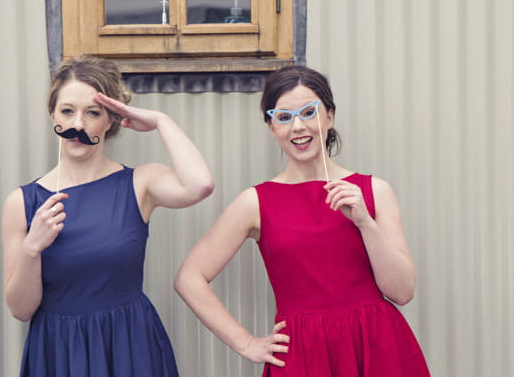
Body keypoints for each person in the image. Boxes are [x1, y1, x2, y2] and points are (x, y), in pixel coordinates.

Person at [174, 65, 430, 376]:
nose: (298, 127)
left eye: (309, 112)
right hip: (304, 356)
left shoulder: (373, 191)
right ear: (271, 127)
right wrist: (246, 344)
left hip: (377, 348)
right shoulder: (256, 202)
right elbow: (189, 278)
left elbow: (402, 292)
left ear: (329, 116)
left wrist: (365, 222)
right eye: (283, 117)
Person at [2, 55, 214, 377]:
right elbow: (20, 310)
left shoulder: (139, 184)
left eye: (93, 113)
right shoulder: (23, 202)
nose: (78, 126)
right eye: (68, 111)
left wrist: (160, 121)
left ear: (111, 120)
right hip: (59, 351)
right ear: (52, 114)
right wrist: (32, 248)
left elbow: (200, 185)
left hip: (129, 345)